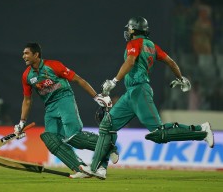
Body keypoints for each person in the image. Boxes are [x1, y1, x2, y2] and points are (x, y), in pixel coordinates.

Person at [79, 16, 215, 180]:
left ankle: (201, 131)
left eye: (129, 29)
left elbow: (130, 61)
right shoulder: (152, 46)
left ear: (134, 30)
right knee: (107, 125)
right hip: (132, 93)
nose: (127, 32)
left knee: (159, 134)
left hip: (139, 91)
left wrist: (114, 81)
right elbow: (171, 62)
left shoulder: (134, 43)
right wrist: (180, 78)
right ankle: (97, 168)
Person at [13, 42, 118, 179]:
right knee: (50, 139)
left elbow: (78, 79)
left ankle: (109, 147)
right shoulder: (26, 76)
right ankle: (80, 168)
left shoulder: (54, 65)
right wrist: (21, 122)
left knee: (73, 136)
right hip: (50, 107)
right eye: (23, 53)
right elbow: (27, 100)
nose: (23, 56)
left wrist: (96, 97)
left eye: (26, 53)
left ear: (36, 55)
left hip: (64, 98)